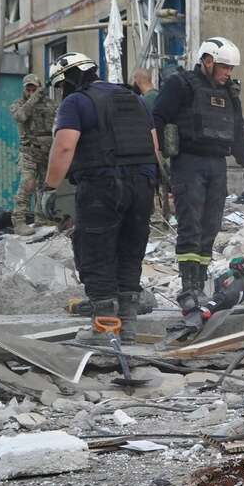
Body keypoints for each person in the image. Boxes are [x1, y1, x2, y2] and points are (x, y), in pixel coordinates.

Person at [41, 53, 160, 342]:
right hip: (143, 184)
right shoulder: (132, 98)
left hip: (103, 184)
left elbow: (65, 147)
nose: (61, 93)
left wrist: (49, 189)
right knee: (131, 250)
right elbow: (154, 145)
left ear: (69, 79)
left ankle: (104, 327)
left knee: (96, 250)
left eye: (60, 86)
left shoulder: (76, 102)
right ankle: (128, 325)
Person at [152, 37, 244, 298]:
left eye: (231, 69)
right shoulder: (181, 85)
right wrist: (158, 158)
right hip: (188, 163)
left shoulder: (230, 93)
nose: (228, 73)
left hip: (217, 165)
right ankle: (190, 288)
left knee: (210, 227)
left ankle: (201, 284)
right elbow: (156, 119)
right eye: (224, 67)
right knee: (191, 226)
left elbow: (237, 128)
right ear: (207, 61)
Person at [9, 73, 57, 235]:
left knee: (45, 186)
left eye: (33, 89)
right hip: (28, 152)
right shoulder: (19, 104)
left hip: (46, 153)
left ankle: (41, 218)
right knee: (27, 184)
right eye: (28, 89)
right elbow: (20, 116)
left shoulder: (50, 104)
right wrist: (33, 99)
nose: (30, 92)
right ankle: (19, 221)